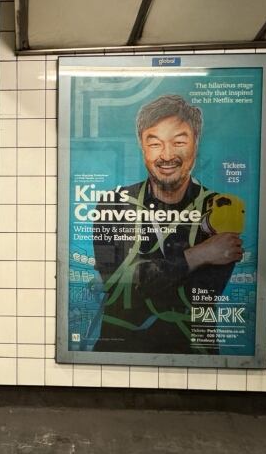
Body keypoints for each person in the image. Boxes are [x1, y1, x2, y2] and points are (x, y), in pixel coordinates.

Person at [92, 94, 243, 355]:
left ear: (196, 143)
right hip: (120, 348)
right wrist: (201, 253)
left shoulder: (222, 208)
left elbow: (202, 294)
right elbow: (118, 286)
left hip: (193, 352)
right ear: (142, 145)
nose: (167, 155)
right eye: (155, 143)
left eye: (179, 142)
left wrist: (145, 270)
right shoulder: (113, 204)